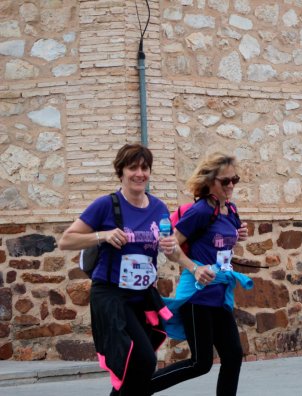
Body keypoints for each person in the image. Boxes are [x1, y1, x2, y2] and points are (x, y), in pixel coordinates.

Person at [58, 143, 182, 396]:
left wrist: (171, 248)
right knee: (144, 361)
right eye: (132, 167)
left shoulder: (159, 208)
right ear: (121, 171)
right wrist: (102, 235)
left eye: (145, 168)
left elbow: (171, 251)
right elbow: (66, 240)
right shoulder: (106, 204)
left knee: (136, 368)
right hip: (111, 296)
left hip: (142, 296)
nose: (140, 174)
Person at [151, 152, 252, 396]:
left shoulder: (230, 209)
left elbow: (217, 245)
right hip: (197, 296)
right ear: (209, 182)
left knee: (233, 356)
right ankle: (134, 389)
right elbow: (171, 246)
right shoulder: (200, 211)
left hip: (219, 294)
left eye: (234, 180)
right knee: (201, 363)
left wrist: (237, 236)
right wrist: (195, 268)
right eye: (224, 181)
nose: (230, 186)